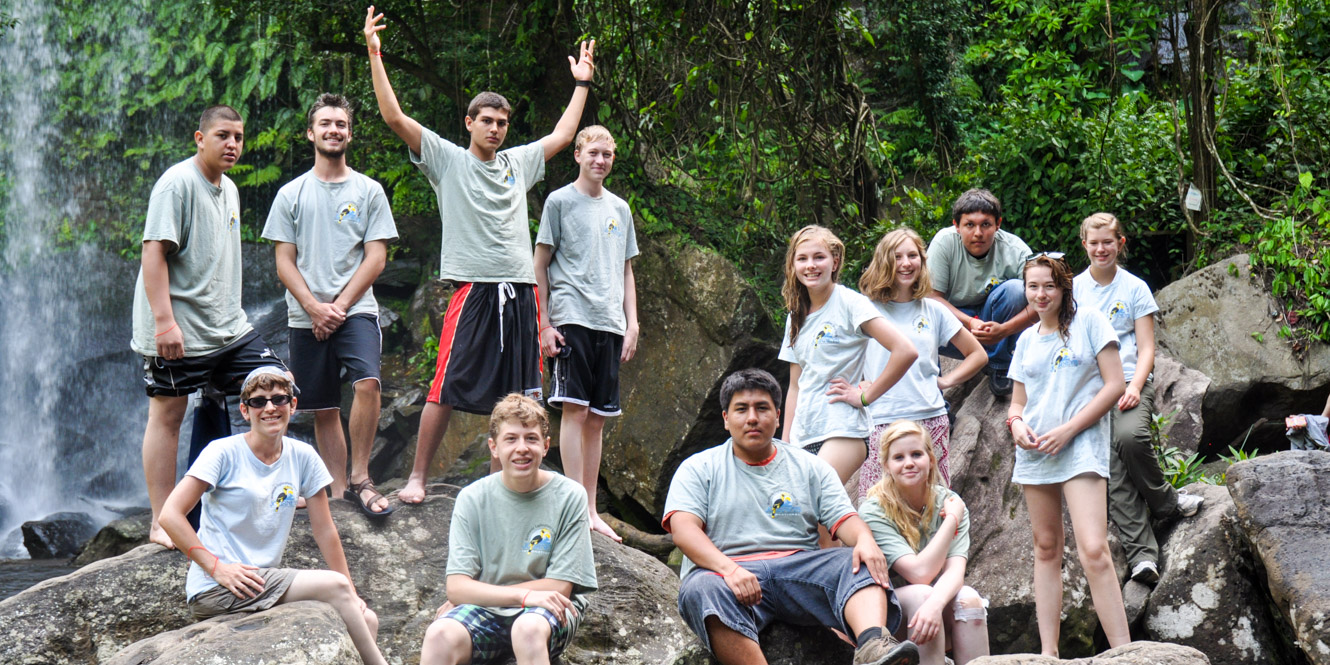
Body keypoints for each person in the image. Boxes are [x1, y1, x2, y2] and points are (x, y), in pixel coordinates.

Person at [363, 7, 595, 504]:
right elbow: (394, 117)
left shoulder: (517, 163)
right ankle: (418, 479)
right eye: (486, 121)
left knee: (516, 400)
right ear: (469, 123)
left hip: (521, 290)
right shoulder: (447, 159)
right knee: (445, 384)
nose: (495, 129)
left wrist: (581, 85)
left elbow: (559, 138)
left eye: (502, 122)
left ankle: (498, 488)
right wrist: (374, 53)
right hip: (473, 288)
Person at [664, 368, 921, 665]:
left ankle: (873, 649)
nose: (752, 418)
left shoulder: (810, 466)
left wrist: (864, 540)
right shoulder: (698, 467)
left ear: (777, 415)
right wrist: (729, 570)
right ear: (725, 418)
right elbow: (683, 531)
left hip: (800, 570)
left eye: (762, 408)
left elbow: (844, 518)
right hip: (728, 573)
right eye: (741, 409)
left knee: (859, 560)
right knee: (699, 587)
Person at [132, 104, 288, 549]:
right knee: (167, 415)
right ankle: (163, 518)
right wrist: (165, 324)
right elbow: (153, 253)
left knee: (277, 387)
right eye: (223, 136)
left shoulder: (231, 188)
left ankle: (269, 486)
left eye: (238, 137)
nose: (232, 145)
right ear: (199, 138)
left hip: (228, 329)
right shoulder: (177, 184)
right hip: (179, 329)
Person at [158, 367, 388, 665]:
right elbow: (170, 515)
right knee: (337, 587)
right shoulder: (222, 452)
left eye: (279, 399)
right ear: (245, 410)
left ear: (292, 406)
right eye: (259, 401)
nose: (269, 408)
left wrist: (353, 594)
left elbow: (325, 530)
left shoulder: (303, 456)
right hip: (218, 587)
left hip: (260, 583)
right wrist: (216, 568)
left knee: (367, 620)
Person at [262, 93, 399, 518]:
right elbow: (284, 261)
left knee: (367, 383)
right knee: (322, 406)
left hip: (356, 309)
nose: (333, 130)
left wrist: (337, 306)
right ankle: (338, 491)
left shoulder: (368, 190)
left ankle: (361, 478)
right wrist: (314, 308)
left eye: (341, 124)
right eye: (326, 123)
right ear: (311, 132)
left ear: (349, 134)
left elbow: (376, 257)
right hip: (306, 316)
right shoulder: (291, 194)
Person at [1006, 253, 1130, 656]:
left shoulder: (1090, 321)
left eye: (1049, 286)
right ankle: (1049, 653)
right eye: (1033, 286)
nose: (1041, 294)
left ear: (1064, 288)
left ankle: (1125, 652)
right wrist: (1017, 426)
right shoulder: (1025, 339)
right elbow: (1017, 404)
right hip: (1036, 450)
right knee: (1046, 548)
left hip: (1081, 444)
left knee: (1094, 548)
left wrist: (1070, 429)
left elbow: (1114, 385)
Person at [1072, 213, 1203, 585]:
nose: (1101, 249)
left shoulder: (1134, 288)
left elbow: (1147, 347)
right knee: (1110, 469)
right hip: (1090, 390)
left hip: (1129, 381)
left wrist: (1133, 386)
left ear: (1120, 243)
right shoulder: (1074, 290)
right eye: (1094, 243)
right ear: (1084, 245)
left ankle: (1165, 502)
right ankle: (1144, 555)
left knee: (1131, 438)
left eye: (1108, 242)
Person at [420, 394, 597, 665]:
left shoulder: (570, 496)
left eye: (531, 439)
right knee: (439, 634)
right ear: (494, 447)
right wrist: (517, 595)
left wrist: (477, 593)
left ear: (546, 446)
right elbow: (456, 587)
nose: (522, 448)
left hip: (546, 612)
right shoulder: (472, 498)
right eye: (511, 439)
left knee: (526, 629)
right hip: (487, 612)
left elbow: (559, 587)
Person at [533, 125, 638, 543]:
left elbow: (627, 269)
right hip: (571, 316)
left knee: (597, 418)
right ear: (577, 154)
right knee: (574, 410)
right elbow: (538, 264)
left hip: (609, 322)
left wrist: (632, 323)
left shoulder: (620, 209)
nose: (600, 161)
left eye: (607, 155)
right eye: (593, 153)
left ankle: (592, 509)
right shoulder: (559, 202)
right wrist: (543, 323)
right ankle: (575, 506)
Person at [779, 225, 918, 490]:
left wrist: (865, 396)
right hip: (804, 431)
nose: (811, 265)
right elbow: (795, 385)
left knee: (815, 499)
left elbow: (905, 350)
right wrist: (786, 441)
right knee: (810, 523)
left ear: (835, 261)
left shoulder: (850, 303)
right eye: (803, 259)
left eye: (819, 257)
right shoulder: (795, 316)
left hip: (842, 428)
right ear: (793, 264)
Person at [856, 229, 987, 493]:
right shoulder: (864, 308)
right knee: (876, 511)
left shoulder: (934, 310)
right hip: (881, 420)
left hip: (929, 419)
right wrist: (858, 384)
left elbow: (978, 354)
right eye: (897, 256)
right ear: (883, 261)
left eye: (912, 255)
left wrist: (946, 380)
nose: (906, 263)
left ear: (922, 261)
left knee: (933, 509)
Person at [859, 421, 990, 665]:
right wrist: (951, 520)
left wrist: (936, 604)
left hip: (930, 609)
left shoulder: (950, 500)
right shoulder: (873, 510)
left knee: (969, 599)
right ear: (886, 465)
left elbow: (955, 572)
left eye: (916, 454)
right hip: (884, 615)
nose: (909, 462)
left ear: (931, 459)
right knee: (923, 594)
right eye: (898, 457)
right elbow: (919, 573)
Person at [926, 189, 1036, 396]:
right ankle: (937, 400)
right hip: (957, 324)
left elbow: (1041, 303)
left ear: (998, 224)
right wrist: (970, 322)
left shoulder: (1016, 250)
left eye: (986, 224)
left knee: (1015, 290)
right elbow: (931, 297)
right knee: (923, 318)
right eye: (969, 225)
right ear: (956, 226)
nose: (978, 233)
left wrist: (1004, 329)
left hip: (997, 321)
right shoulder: (944, 243)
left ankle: (999, 364)